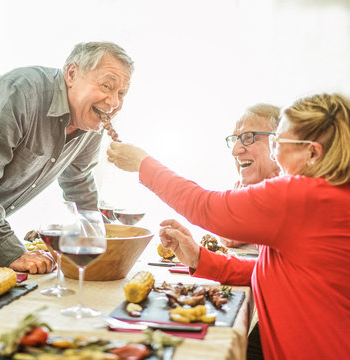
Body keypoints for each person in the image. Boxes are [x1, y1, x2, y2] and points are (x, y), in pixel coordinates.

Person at [107, 93, 350, 359]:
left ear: (312, 152)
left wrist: (143, 164)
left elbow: (205, 206)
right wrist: (200, 258)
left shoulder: (301, 195)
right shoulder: (333, 193)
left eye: (279, 142)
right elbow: (281, 272)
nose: (275, 152)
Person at [0, 42, 134, 273]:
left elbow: (78, 181)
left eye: (121, 93)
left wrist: (99, 239)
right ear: (72, 74)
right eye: (106, 86)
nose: (114, 102)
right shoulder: (22, 91)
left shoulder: (91, 121)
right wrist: (11, 251)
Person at [221, 104, 280, 248]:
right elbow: (228, 235)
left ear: (279, 142)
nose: (235, 151)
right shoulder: (245, 192)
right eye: (235, 140)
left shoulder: (300, 195)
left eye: (248, 137)